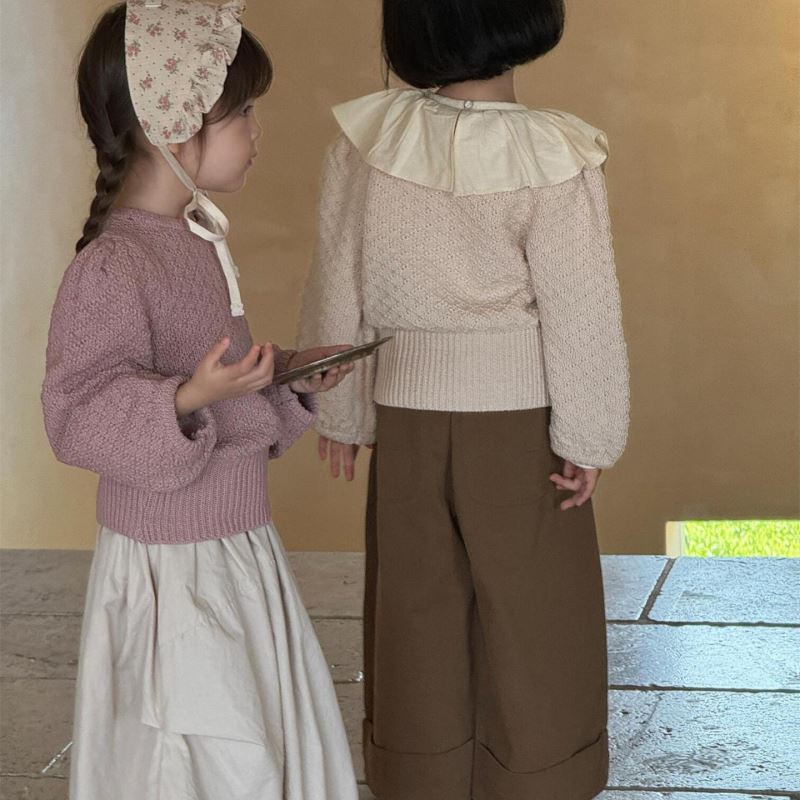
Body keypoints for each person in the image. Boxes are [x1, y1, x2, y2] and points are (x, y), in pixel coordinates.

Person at [297, 1, 630, 797]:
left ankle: (422, 775)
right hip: (520, 430)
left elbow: (336, 281)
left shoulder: (367, 144)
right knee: (535, 612)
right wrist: (589, 437)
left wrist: (341, 412)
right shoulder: (553, 155)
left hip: (407, 421)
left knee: (416, 609)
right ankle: (541, 777)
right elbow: (581, 311)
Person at [41, 2, 359, 797]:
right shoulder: (113, 266)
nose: (256, 133)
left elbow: (218, 397)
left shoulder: (196, 239)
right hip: (172, 567)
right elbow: (75, 417)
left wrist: (285, 378)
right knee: (204, 752)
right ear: (173, 126)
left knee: (249, 738)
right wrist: (187, 396)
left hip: (234, 543)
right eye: (242, 113)